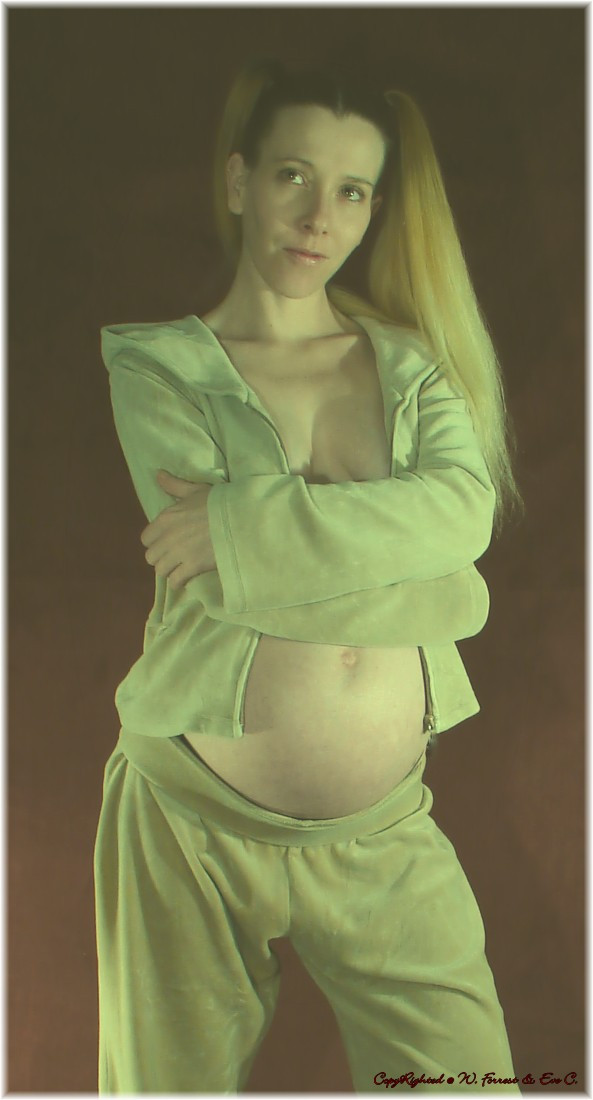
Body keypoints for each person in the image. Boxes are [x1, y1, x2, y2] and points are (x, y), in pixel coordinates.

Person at [93, 56, 525, 1094]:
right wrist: (437, 577)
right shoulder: (157, 367)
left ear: (373, 209)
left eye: (352, 190)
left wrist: (242, 530)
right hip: (187, 824)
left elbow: (461, 513)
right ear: (239, 179)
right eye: (292, 174)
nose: (318, 216)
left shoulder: (413, 365)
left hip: (382, 835)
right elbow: (217, 584)